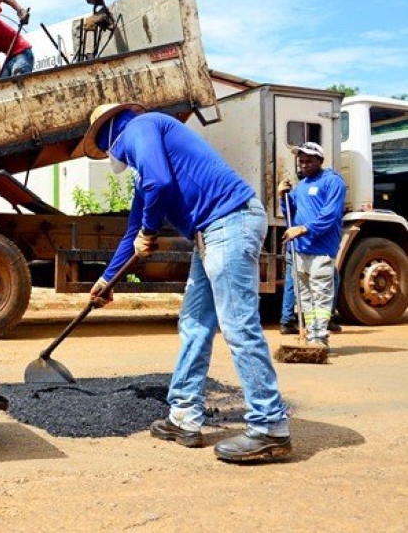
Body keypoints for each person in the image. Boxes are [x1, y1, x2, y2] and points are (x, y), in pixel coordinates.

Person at [82, 103, 292, 463]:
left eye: (105, 151)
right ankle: (184, 416)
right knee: (194, 324)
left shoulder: (139, 128)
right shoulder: (145, 154)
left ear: (108, 135)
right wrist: (106, 279)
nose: (110, 158)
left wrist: (150, 231)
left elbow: (159, 185)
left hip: (230, 221)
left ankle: (271, 427)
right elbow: (135, 227)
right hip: (210, 232)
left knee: (239, 326)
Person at [278, 142, 347, 348]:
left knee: (321, 294)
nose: (304, 165)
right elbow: (291, 214)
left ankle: (320, 337)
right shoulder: (301, 187)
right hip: (300, 249)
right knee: (305, 297)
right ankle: (311, 334)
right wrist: (284, 197)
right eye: (302, 161)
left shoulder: (333, 182)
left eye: (309, 161)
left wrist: (303, 229)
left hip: (321, 250)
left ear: (320, 161)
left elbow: (330, 215)